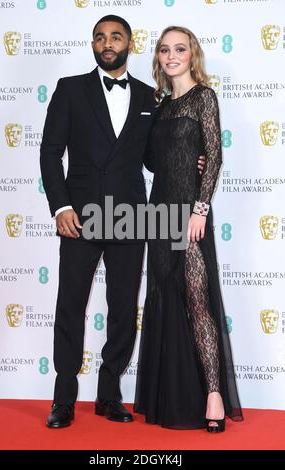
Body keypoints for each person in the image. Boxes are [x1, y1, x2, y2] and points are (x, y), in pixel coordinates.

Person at [40, 15, 206, 429]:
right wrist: (61, 208)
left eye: (115, 36)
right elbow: (49, 153)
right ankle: (63, 398)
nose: (107, 43)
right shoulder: (70, 90)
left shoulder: (152, 97)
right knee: (70, 306)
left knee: (121, 308)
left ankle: (109, 395)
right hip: (80, 215)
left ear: (130, 43)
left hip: (131, 215)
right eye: (100, 37)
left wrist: (190, 159)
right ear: (93, 44)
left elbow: (153, 158)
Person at [134, 26, 243, 432]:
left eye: (179, 48)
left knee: (196, 296)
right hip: (158, 212)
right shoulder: (158, 105)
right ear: (159, 57)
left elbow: (214, 157)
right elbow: (150, 161)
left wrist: (200, 209)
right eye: (164, 50)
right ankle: (172, 398)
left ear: (192, 53)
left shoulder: (204, 98)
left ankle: (213, 394)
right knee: (165, 294)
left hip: (189, 214)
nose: (171, 55)